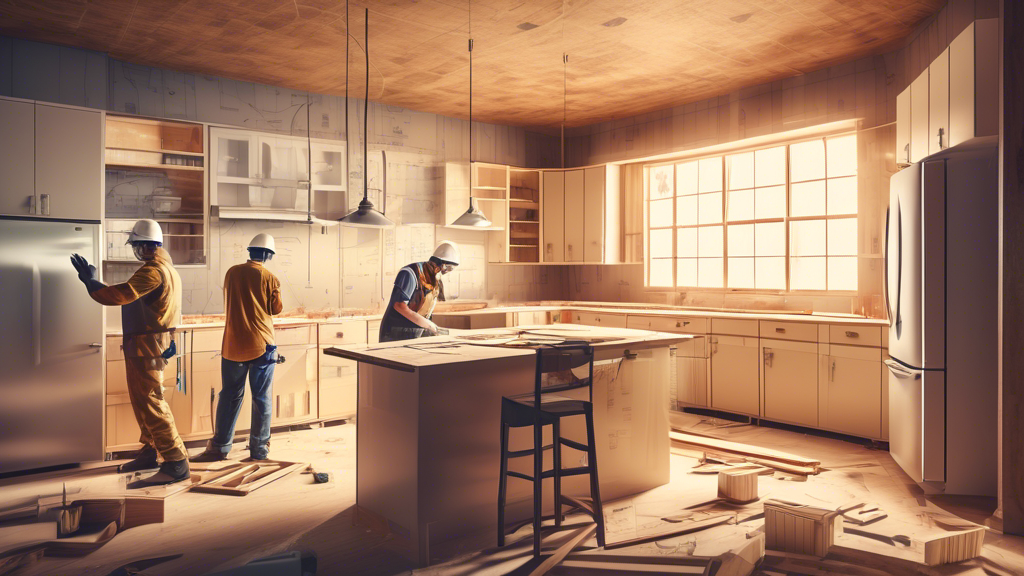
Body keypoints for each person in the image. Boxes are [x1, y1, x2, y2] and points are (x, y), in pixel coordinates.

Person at [70, 219, 189, 486]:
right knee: (143, 401)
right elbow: (128, 293)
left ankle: (176, 462)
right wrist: (95, 282)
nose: (136, 251)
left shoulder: (153, 271)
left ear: (147, 246)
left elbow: (121, 295)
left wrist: (90, 283)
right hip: (149, 344)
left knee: (151, 401)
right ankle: (150, 452)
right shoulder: (167, 269)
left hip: (146, 346)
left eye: (136, 246)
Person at [192, 234, 283, 462]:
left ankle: (220, 447)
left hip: (233, 345)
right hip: (262, 344)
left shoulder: (232, 272)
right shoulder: (269, 277)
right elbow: (276, 309)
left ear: (250, 251)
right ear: (267, 255)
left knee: (230, 395)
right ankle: (259, 449)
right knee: (261, 397)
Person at [378, 241, 460, 342]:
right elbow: (399, 305)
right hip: (395, 333)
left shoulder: (435, 278)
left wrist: (428, 325)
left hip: (415, 332)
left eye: (451, 269)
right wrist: (428, 325)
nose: (446, 272)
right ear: (437, 263)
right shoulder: (410, 273)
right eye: (447, 267)